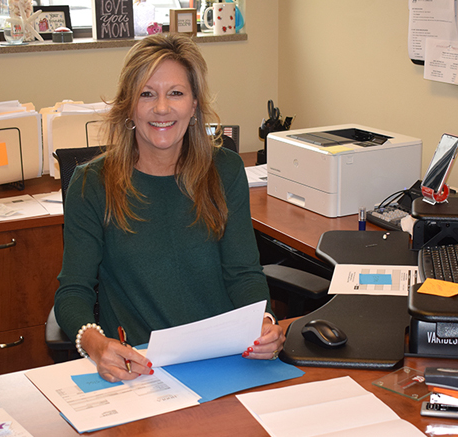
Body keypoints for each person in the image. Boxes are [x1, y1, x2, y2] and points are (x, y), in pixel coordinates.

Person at [54, 33, 285, 383]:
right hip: (141, 367)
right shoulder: (92, 184)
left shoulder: (225, 170)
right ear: (129, 106)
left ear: (194, 104)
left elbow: (243, 274)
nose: (162, 108)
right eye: (147, 94)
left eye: (176, 93)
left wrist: (264, 323)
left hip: (225, 360)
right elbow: (74, 290)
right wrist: (97, 344)